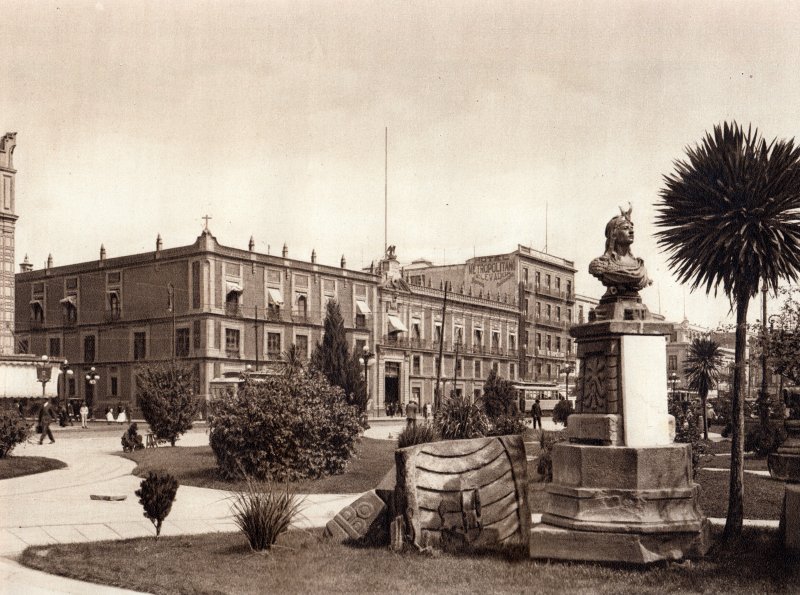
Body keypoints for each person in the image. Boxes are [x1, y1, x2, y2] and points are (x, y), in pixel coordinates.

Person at [588, 203, 652, 293]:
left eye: (631, 228)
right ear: (614, 234)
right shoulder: (601, 264)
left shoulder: (639, 265)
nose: (631, 231)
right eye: (625, 228)